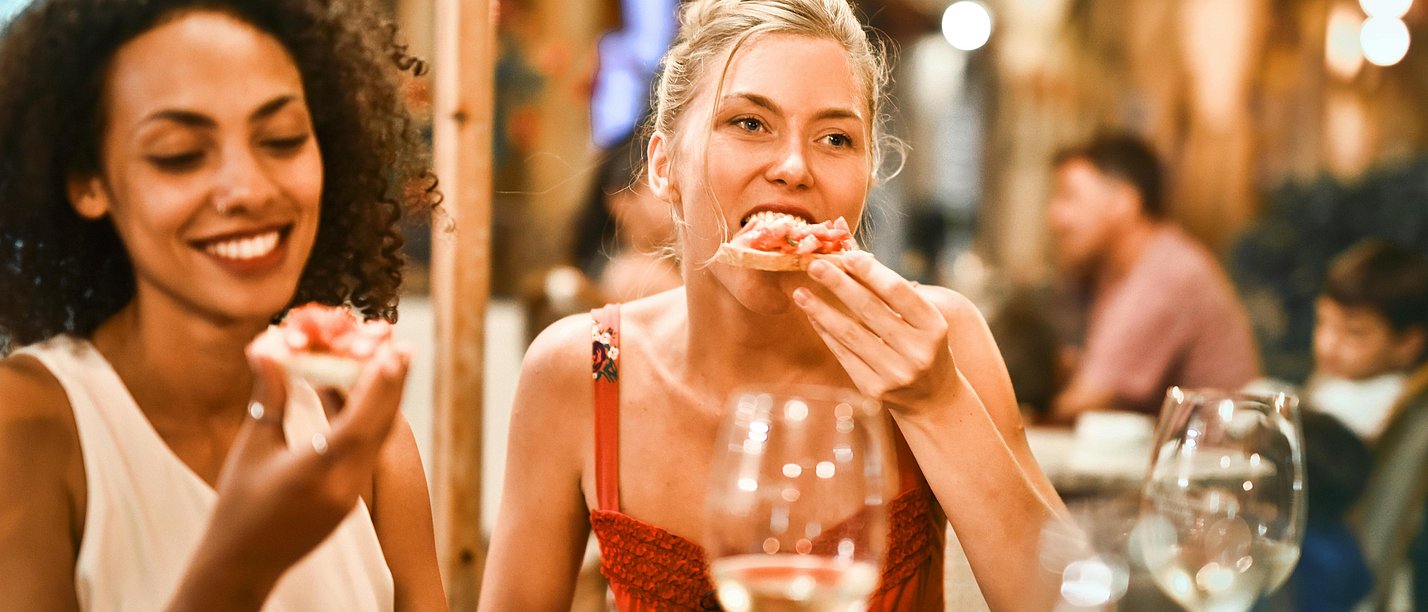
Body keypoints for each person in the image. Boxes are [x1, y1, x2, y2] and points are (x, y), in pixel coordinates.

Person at [481, 0, 1068, 609]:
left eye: (835, 138)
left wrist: (938, 402)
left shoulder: (940, 340)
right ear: (662, 167)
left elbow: (1066, 599)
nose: (794, 167)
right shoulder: (581, 371)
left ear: (868, 177)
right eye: (749, 123)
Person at [0, 0, 446, 609]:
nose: (249, 188)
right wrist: (241, 563)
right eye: (180, 154)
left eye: (282, 140)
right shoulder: (27, 427)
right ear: (88, 182)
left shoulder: (367, 440)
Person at [1046, 132, 1260, 421]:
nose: (1055, 216)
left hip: (1217, 457)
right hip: (1180, 453)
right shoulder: (1121, 269)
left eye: (1069, 196)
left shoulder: (1165, 274)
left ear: (1123, 202)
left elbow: (1086, 401)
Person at [1304, 239, 1428, 441]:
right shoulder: (1336, 379)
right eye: (1323, 322)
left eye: (1354, 333)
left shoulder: (1388, 406)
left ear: (1407, 344)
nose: (1329, 345)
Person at [570, 132, 683, 304]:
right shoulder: (643, 276)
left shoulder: (624, 267)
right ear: (621, 202)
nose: (676, 195)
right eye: (659, 180)